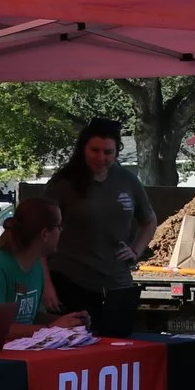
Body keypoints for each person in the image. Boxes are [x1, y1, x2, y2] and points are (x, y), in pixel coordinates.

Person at [45, 119, 158, 339]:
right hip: (71, 282)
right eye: (94, 150)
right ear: (83, 149)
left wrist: (136, 250)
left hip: (117, 285)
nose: (101, 158)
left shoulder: (127, 180)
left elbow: (149, 220)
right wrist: (46, 285)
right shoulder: (64, 183)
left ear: (117, 152)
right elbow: (41, 233)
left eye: (108, 152)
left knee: (118, 347)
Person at [0, 196, 71, 325]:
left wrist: (70, 323)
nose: (61, 231)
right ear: (45, 234)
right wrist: (52, 327)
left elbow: (30, 318)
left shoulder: (36, 266)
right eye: (58, 226)